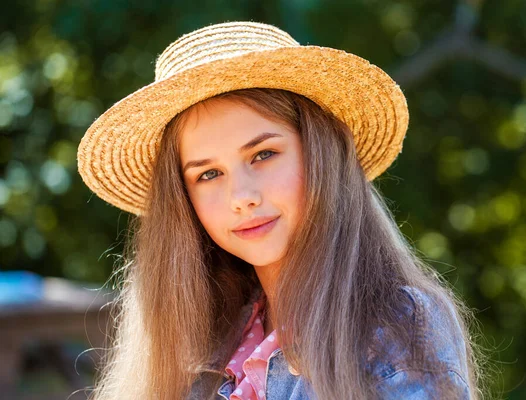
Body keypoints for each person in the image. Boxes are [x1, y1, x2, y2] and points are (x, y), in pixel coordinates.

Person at [77, 21, 485, 400]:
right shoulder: (197, 347)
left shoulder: (396, 324)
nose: (242, 196)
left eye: (263, 154)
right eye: (208, 174)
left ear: (319, 154)